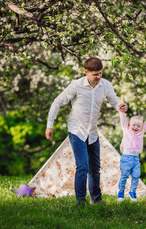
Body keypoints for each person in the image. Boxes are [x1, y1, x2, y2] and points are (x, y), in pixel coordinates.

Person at [45, 57, 127, 206]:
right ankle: (80, 202)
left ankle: (96, 198)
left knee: (95, 167)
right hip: (77, 130)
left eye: (100, 73)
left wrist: (120, 106)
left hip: (93, 132)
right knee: (83, 166)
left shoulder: (105, 85)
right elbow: (58, 102)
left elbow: (115, 102)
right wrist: (50, 125)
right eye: (95, 74)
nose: (99, 77)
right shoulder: (76, 85)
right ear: (86, 72)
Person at [117, 111, 146, 202]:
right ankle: (121, 192)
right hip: (126, 157)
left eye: (138, 126)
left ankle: (132, 192)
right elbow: (123, 122)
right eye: (134, 125)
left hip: (135, 159)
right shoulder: (126, 129)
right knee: (124, 175)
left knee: (136, 176)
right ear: (129, 125)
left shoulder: (140, 133)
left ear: (141, 128)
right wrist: (122, 113)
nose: (136, 127)